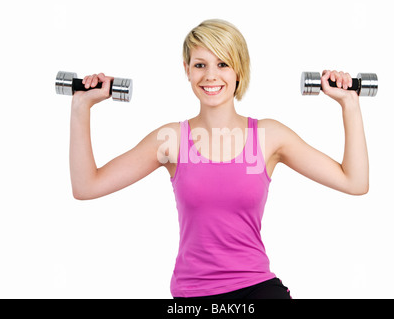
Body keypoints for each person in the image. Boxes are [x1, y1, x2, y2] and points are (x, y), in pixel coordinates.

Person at [69, 19, 369, 299]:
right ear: (187, 69)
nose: (210, 75)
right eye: (200, 64)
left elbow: (354, 182)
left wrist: (349, 104)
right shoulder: (171, 140)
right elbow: (86, 186)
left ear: (239, 69)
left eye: (223, 64)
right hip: (192, 294)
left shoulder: (268, 136)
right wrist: (81, 107)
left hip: (257, 289)